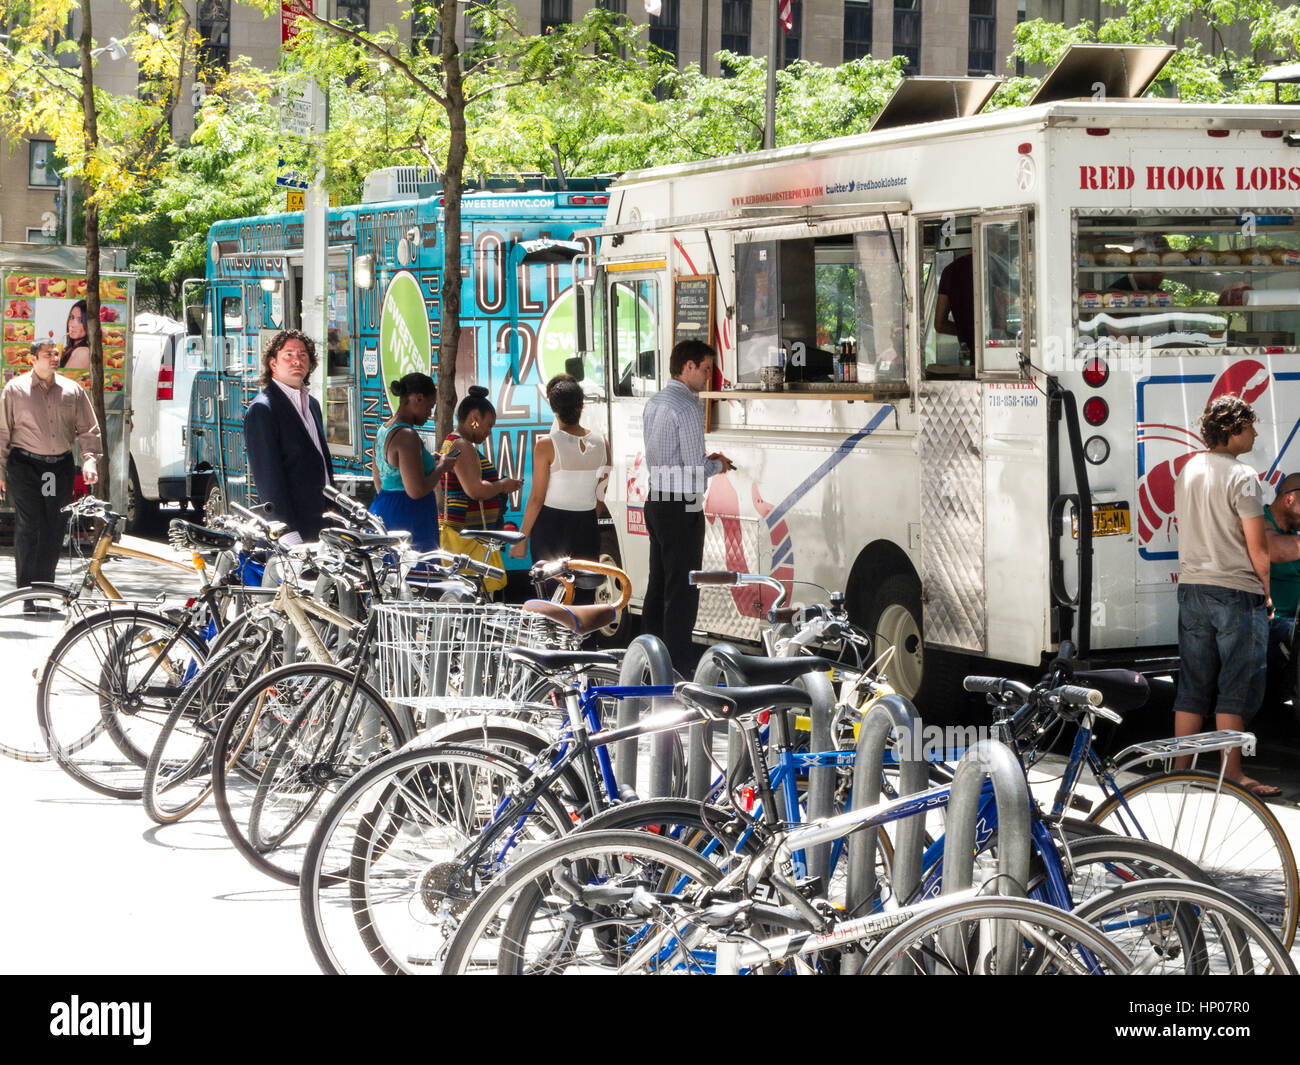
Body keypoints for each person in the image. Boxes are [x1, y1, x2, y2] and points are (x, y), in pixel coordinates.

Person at [1172, 395, 1278, 797]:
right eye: (1249, 426)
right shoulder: (1243, 476)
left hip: (1193, 588)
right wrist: (1266, 592)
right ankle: (1232, 773)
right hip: (1235, 590)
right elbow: (1258, 546)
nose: (1254, 433)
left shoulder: (1189, 469)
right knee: (1235, 685)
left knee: (1193, 685)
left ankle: (1179, 770)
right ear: (1232, 430)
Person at [642, 339, 735, 674]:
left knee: (659, 582)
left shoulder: (654, 402)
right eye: (706, 368)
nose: (709, 376)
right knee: (683, 587)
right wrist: (719, 465)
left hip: (656, 498)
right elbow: (695, 465)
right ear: (689, 366)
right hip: (684, 503)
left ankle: (648, 655)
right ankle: (678, 662)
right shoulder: (688, 407)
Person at [0, 340, 101, 595]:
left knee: (54, 525)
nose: (54, 358)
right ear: (33, 359)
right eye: (48, 354)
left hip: (57, 469)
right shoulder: (15, 390)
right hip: (25, 465)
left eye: (56, 353)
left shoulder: (72, 390)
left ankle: (44, 588)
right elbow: (2, 432)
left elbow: (89, 429)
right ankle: (26, 591)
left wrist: (89, 459)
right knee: (29, 523)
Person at [243, 330, 334, 545]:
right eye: (289, 355)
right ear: (273, 364)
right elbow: (268, 479)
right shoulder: (262, 409)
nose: (297, 361)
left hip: (322, 525)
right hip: (291, 531)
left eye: (303, 355)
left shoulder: (312, 404)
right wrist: (287, 534)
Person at [510, 374, 610, 568]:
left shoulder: (546, 445)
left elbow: (537, 498)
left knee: (551, 592)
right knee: (585, 592)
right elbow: (600, 494)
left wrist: (522, 539)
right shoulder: (603, 443)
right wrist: (585, 518)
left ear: (554, 409)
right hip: (587, 525)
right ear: (581, 407)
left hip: (551, 526)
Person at [369, 372, 459, 552]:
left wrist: (427, 464)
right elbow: (416, 491)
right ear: (418, 398)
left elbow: (379, 481)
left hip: (385, 508)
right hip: (410, 517)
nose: (430, 413)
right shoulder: (407, 435)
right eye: (430, 406)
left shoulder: (384, 429)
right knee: (416, 576)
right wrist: (442, 467)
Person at [438, 385, 523, 536]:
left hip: (468, 534)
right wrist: (503, 485)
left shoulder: (455, 442)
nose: (489, 432)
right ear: (475, 418)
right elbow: (476, 490)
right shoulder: (461, 445)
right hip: (468, 538)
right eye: (489, 425)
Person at [1262, 472, 1300, 714]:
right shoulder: (1259, 521)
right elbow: (1276, 551)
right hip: (1273, 622)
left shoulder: (1293, 532)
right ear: (1289, 500)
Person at [934, 252, 974, 358]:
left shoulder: (951, 271)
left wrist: (967, 333)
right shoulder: (996, 266)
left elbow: (940, 324)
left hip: (970, 355)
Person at [59, 300, 90, 370]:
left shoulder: (82, 353)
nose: (72, 324)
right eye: (71, 317)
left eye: (81, 320)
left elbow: (62, 380)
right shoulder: (68, 349)